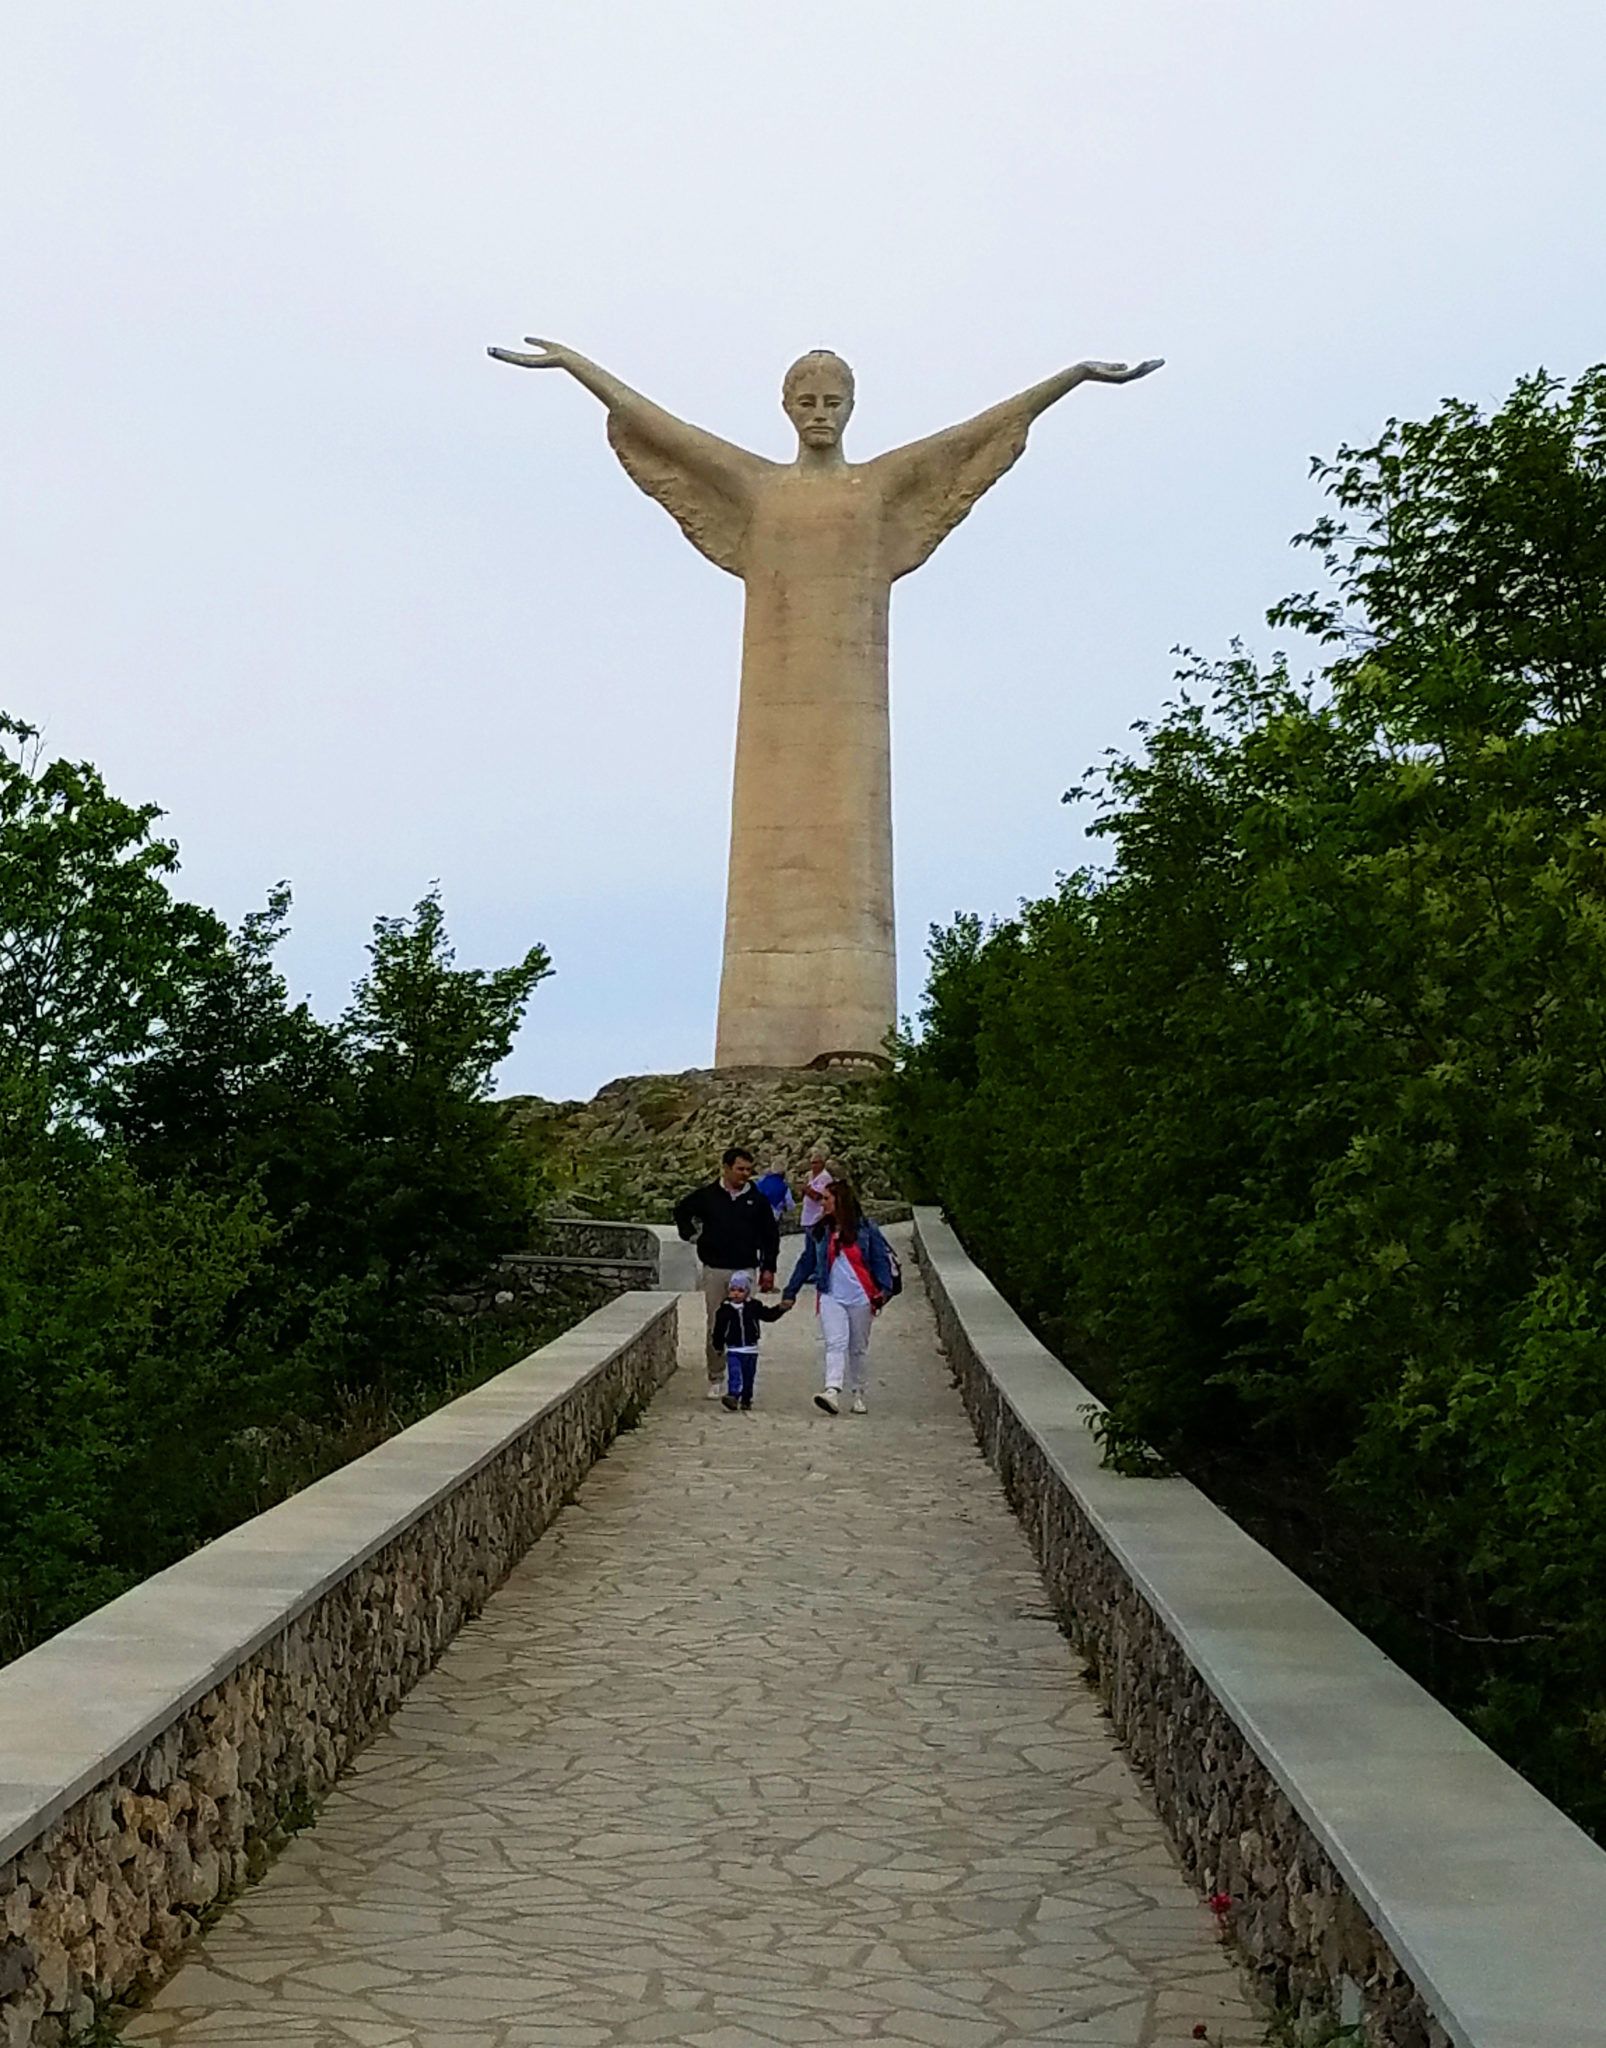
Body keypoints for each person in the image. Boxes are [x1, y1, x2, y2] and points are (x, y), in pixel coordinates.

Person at [781, 1177, 896, 1417]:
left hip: (861, 1295)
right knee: (835, 1342)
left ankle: (858, 1392)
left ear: (839, 1201)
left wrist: (885, 1290)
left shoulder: (866, 1229)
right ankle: (832, 1389)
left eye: (826, 1198)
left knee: (858, 1347)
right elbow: (807, 1261)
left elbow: (879, 1260)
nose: (822, 1203)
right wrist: (791, 1290)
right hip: (830, 1294)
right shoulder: (819, 1230)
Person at [674, 1147, 781, 1398]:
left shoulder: (758, 1200)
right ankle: (716, 1376)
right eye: (740, 1169)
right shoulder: (708, 1196)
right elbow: (681, 1211)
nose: (745, 1174)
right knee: (716, 1323)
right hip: (715, 1269)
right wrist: (691, 1235)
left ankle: (739, 1378)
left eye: (748, 1170)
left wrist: (769, 1267)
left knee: (743, 1321)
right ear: (726, 1168)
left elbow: (770, 1236)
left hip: (745, 1267)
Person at [709, 1271, 792, 1411]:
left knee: (748, 1376)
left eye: (740, 1290)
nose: (736, 1293)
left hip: (751, 1349)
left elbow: (768, 1315)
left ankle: (746, 1398)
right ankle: (733, 1395)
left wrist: (780, 1309)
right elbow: (719, 1330)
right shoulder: (724, 1310)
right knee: (735, 1373)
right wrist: (718, 1346)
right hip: (734, 1349)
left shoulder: (754, 1306)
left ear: (747, 1292)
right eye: (733, 1290)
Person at [798, 1147, 833, 1234]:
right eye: (812, 1163)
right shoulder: (811, 1176)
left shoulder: (824, 1177)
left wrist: (805, 1189)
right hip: (808, 1219)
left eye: (816, 1163)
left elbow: (817, 1196)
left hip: (817, 1219)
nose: (813, 1166)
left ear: (822, 1163)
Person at [753, 1161, 795, 1227]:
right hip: (773, 1217)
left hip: (757, 1216)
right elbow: (790, 1203)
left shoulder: (761, 1182)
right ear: (783, 1173)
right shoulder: (783, 1186)